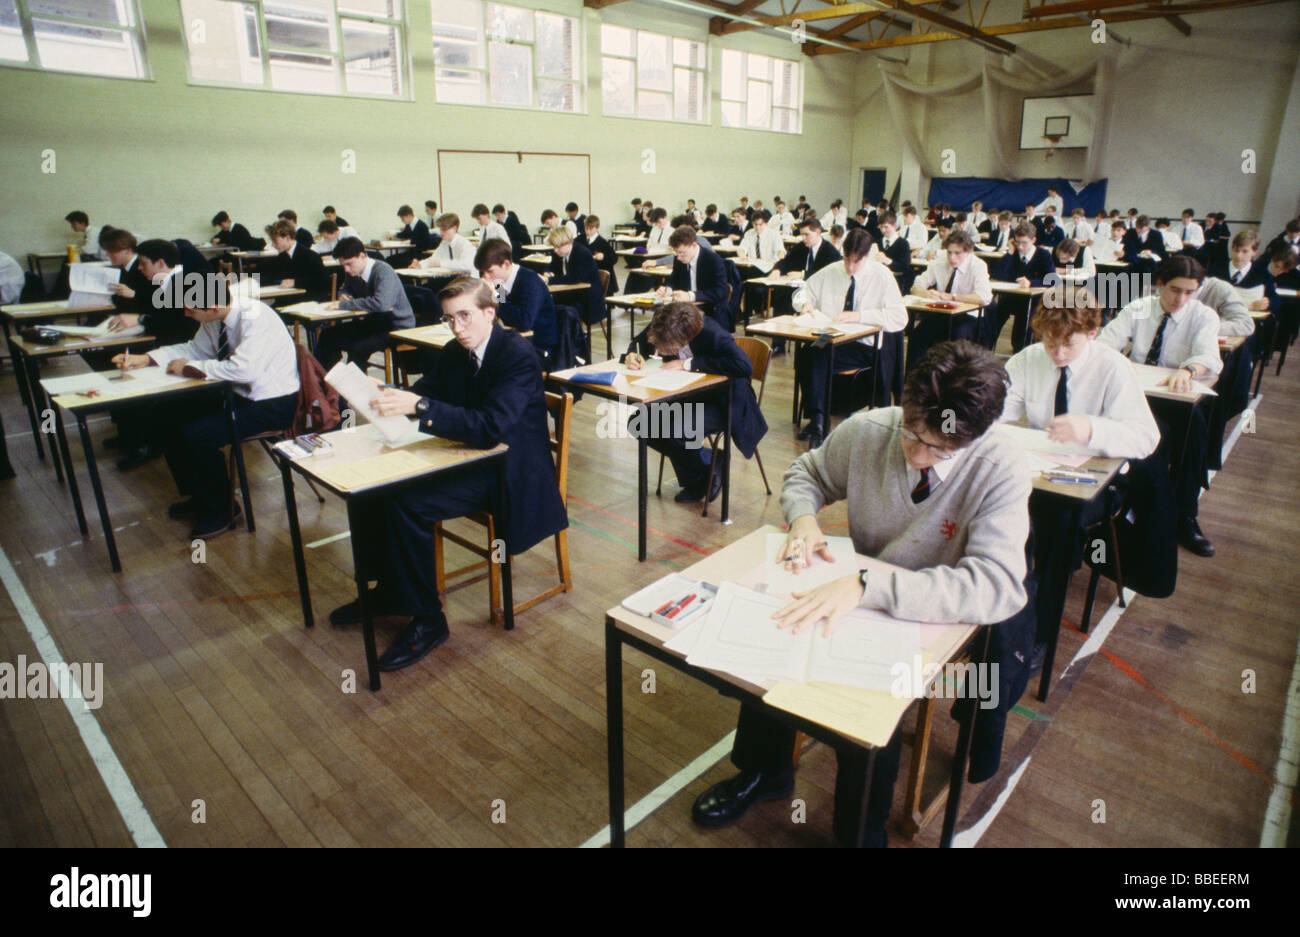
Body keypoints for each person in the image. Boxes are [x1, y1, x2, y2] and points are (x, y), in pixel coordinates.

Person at [691, 340, 1031, 847]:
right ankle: (766, 771)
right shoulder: (873, 429)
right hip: (858, 589)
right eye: (913, 433)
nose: (918, 454)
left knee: (871, 705)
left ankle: (859, 832)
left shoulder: (1001, 465)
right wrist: (804, 520)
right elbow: (806, 472)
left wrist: (870, 586)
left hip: (932, 610)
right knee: (781, 629)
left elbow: (997, 585)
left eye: (939, 448)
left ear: (974, 437)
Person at [328, 277, 567, 671]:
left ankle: (428, 618)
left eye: (465, 316)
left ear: (490, 313)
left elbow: (492, 427)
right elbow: (428, 390)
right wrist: (385, 389)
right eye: (449, 319)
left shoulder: (517, 353)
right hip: (468, 456)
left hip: (510, 472)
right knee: (372, 489)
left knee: (408, 502)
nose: (457, 328)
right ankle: (388, 589)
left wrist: (419, 405)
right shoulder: (456, 350)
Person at [1001, 287, 1161, 670]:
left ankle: (1038, 631)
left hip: (1100, 483)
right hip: (1043, 471)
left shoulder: (1112, 367)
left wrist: (1090, 428)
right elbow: (998, 412)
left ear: (1092, 333)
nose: (1057, 353)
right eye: (1048, 342)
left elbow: (1146, 438)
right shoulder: (1028, 359)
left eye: (1068, 345)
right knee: (996, 507)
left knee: (1056, 525)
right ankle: (1001, 613)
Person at [111, 275, 298, 539]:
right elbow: (195, 349)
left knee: (198, 435)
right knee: (167, 415)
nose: (186, 314)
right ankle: (200, 495)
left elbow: (244, 371)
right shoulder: (217, 316)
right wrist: (147, 359)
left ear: (213, 307)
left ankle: (224, 510)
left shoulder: (256, 318)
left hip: (271, 403)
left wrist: (190, 368)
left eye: (191, 310)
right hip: (236, 394)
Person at [1097, 256, 1222, 556]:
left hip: (1176, 398)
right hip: (1136, 394)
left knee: (1194, 430)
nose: (1182, 299)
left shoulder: (1203, 316)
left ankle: (1186, 517)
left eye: (1190, 292)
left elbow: (1210, 358)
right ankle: (1127, 506)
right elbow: (1104, 343)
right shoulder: (1139, 308)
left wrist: (1189, 369)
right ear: (1160, 284)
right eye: (1175, 290)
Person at [622, 302, 766, 503]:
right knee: (638, 423)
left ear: (684, 337)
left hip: (724, 401)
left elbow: (743, 365)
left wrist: (687, 364)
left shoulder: (713, 334)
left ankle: (701, 477)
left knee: (676, 430)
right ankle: (708, 467)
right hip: (688, 395)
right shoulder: (665, 321)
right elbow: (641, 341)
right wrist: (632, 354)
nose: (660, 351)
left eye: (666, 347)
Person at [792, 228, 907, 447]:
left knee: (819, 356)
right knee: (810, 353)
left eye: (856, 262)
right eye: (846, 259)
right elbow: (801, 291)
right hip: (832, 335)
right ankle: (818, 419)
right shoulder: (833, 270)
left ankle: (819, 419)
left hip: (864, 344)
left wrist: (860, 316)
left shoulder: (882, 275)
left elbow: (901, 318)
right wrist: (804, 304)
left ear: (867, 257)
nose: (850, 267)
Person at [316, 236, 415, 370]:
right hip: (373, 322)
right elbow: (345, 288)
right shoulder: (352, 272)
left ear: (362, 256)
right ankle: (328, 382)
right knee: (328, 335)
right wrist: (343, 295)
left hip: (395, 326)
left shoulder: (383, 271)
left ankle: (354, 389)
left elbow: (381, 304)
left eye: (348, 264)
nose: (345, 269)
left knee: (358, 348)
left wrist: (342, 304)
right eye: (342, 265)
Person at [908, 230, 993, 368]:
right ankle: (914, 382)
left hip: (968, 316)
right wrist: (926, 294)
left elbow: (984, 297)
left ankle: (952, 381)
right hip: (942, 313)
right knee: (917, 336)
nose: (952, 257)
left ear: (968, 252)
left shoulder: (978, 265)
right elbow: (916, 286)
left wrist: (954, 297)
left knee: (956, 337)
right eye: (949, 252)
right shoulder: (939, 262)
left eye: (958, 253)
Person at [475, 239, 558, 365]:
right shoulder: (498, 282)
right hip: (515, 341)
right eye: (482, 272)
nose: (485, 277)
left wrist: (495, 295)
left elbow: (524, 322)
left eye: (489, 271)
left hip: (539, 346)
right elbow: (502, 312)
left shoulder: (530, 281)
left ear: (506, 264)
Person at [994, 222, 1054, 351]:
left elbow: (1051, 279)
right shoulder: (1013, 254)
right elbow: (998, 274)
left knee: (1023, 327)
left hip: (1033, 300)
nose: (1020, 247)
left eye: (1024, 243)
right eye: (1017, 242)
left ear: (1033, 240)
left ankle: (1020, 349)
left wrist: (1031, 283)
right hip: (1011, 297)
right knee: (992, 317)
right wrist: (1009, 253)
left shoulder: (1043, 255)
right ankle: (987, 347)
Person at [545, 226, 603, 339]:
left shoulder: (582, 253)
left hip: (587, 299)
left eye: (558, 247)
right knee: (548, 307)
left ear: (568, 242)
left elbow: (575, 278)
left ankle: (571, 342)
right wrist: (547, 273)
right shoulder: (559, 253)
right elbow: (550, 267)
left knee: (563, 311)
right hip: (572, 295)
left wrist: (550, 279)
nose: (555, 250)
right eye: (554, 247)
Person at [264, 219, 329, 299]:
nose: (273, 245)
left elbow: (323, 281)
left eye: (275, 241)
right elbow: (270, 276)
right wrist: (252, 279)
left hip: (308, 300)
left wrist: (295, 282)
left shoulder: (310, 256)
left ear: (287, 238)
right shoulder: (281, 256)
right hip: (290, 299)